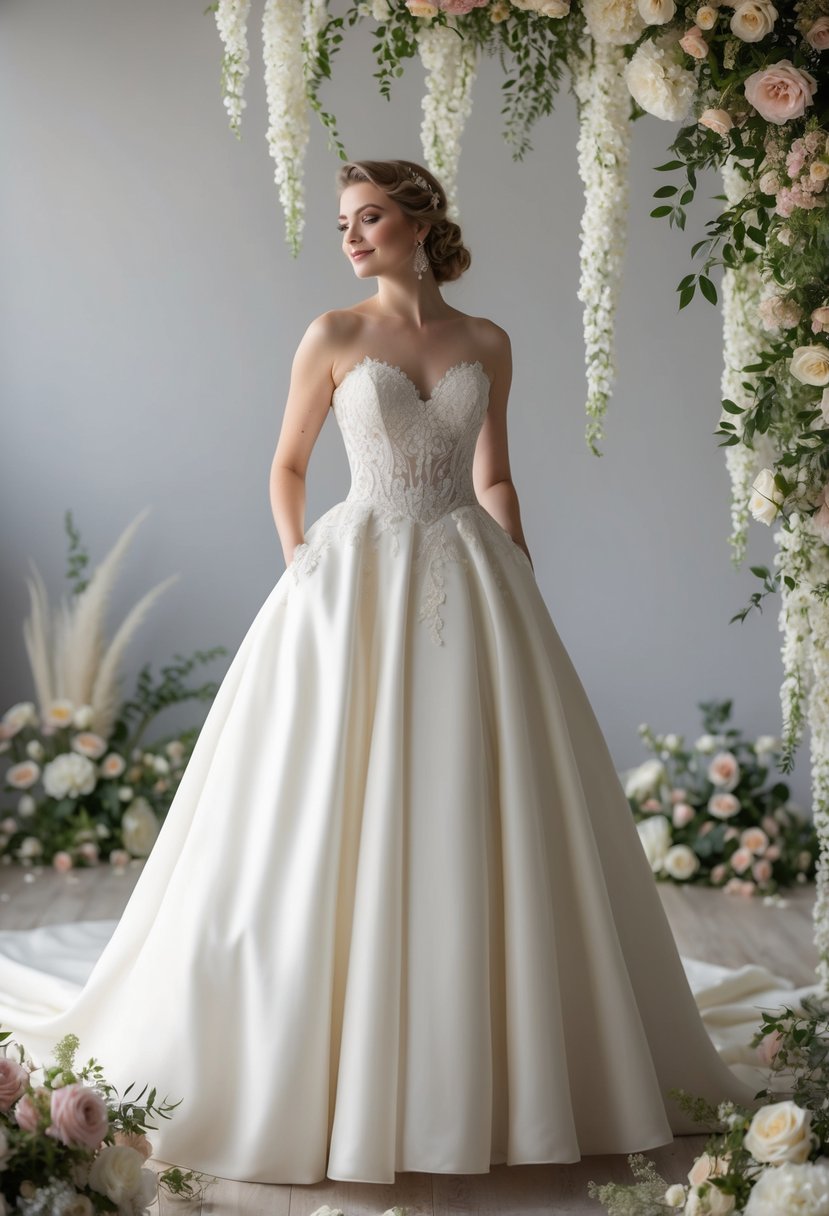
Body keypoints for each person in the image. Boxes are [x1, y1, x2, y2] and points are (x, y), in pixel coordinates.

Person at [0, 158, 767, 1188]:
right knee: (327, 797)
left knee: (477, 799)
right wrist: (299, 557)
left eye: (370, 218)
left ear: (420, 221)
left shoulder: (486, 341)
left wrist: (522, 582)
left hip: (468, 572)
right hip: (349, 573)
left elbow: (492, 473)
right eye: (342, 224)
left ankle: (500, 1055)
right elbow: (285, 464)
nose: (352, 237)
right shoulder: (333, 334)